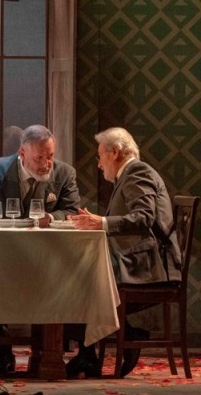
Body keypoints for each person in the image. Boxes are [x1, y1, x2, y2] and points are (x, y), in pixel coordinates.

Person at [66, 127, 182, 378]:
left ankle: (119, 340)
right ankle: (90, 353)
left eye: (100, 156)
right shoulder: (128, 175)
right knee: (78, 278)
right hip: (140, 258)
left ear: (115, 152)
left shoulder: (137, 172)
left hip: (152, 264)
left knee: (79, 282)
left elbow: (144, 218)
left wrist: (103, 223)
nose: (98, 164)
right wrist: (98, 221)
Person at [0, 124, 80, 375]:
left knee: (64, 279)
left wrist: (50, 219)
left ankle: (48, 351)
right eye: (39, 157)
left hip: (44, 258)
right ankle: (3, 352)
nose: (46, 163)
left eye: (50, 155)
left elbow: (72, 211)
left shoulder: (64, 173)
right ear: (22, 154)